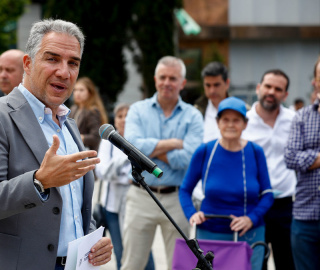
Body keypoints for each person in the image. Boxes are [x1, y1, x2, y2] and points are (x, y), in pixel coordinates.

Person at [0, 19, 113, 270]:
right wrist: (39, 181)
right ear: (28, 63)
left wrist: (93, 239)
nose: (64, 72)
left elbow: (72, 206)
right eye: (52, 59)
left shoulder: (69, 124)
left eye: (73, 63)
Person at [122, 56, 204, 270]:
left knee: (180, 266)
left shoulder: (193, 116)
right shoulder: (138, 110)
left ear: (182, 83)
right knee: (132, 264)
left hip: (177, 199)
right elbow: (131, 147)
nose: (167, 82)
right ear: (155, 79)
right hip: (141, 195)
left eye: (173, 78)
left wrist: (148, 152)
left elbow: (189, 158)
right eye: (163, 77)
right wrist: (173, 143)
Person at [179, 97, 274, 270]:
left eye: (236, 120)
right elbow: (185, 189)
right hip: (210, 234)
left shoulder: (255, 151)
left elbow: (267, 194)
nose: (231, 124)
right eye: (225, 120)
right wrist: (192, 213)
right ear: (217, 122)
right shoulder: (205, 150)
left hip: (248, 234)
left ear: (245, 124)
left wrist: (251, 219)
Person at [242, 69, 296, 270]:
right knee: (257, 264)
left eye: (278, 89)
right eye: (268, 86)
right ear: (258, 88)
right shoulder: (243, 123)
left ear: (285, 95)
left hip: (285, 206)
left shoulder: (294, 120)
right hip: (254, 205)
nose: (271, 92)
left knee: (288, 263)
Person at [95, 103, 155, 270]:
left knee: (143, 252)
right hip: (113, 206)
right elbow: (102, 171)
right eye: (120, 116)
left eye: (128, 116)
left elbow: (147, 173)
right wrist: (124, 158)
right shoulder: (108, 141)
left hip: (138, 205)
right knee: (122, 254)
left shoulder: (141, 140)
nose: (124, 120)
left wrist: (124, 175)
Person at [284, 56, 320, 270]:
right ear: (315, 82)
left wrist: (310, 157)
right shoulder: (302, 117)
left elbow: (300, 157)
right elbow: (290, 157)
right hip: (305, 216)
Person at [194, 61, 230, 143]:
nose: (212, 90)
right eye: (208, 85)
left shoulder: (242, 110)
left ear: (227, 83)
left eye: (216, 85)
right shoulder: (195, 111)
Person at [70, 77, 108, 151]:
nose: (77, 93)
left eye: (81, 90)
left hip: (88, 154)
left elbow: (95, 137)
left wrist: (79, 137)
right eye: (75, 90)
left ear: (90, 93)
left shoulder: (92, 111)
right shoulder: (73, 109)